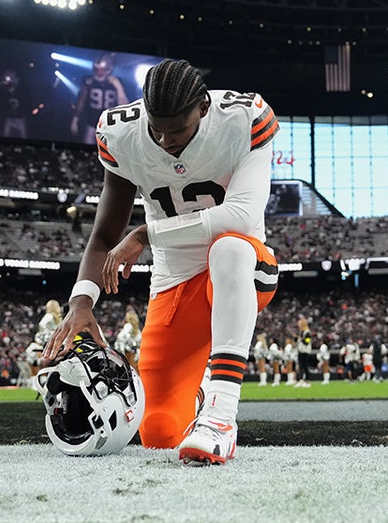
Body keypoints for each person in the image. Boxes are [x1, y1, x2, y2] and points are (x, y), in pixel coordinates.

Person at [43, 59, 280, 466]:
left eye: (178, 130)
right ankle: (198, 395)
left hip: (246, 266)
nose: (166, 141)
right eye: (157, 129)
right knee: (159, 432)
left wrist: (146, 234)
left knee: (228, 248)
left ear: (203, 108)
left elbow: (241, 216)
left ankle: (221, 413)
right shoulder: (122, 134)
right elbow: (104, 236)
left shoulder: (243, 118)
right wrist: (81, 301)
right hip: (176, 279)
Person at [70, 52, 130, 144]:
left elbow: (124, 106)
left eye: (102, 69)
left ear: (109, 69)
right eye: (96, 69)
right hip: (91, 122)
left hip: (110, 125)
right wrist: (75, 120)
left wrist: (119, 87)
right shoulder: (89, 81)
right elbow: (81, 101)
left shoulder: (116, 82)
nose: (99, 72)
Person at [295, 318, 313, 388]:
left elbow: (307, 341)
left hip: (305, 351)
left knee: (305, 366)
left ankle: (307, 381)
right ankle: (301, 380)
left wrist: (301, 339)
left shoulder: (307, 332)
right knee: (301, 367)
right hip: (300, 350)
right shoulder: (301, 332)